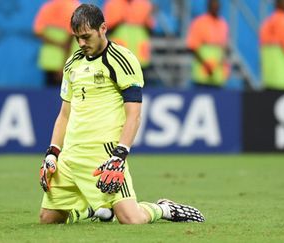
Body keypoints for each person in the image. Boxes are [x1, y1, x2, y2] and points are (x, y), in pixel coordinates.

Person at [39, 3, 205, 225]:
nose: (81, 43)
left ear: (103, 29)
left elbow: (134, 115)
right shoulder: (72, 63)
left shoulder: (122, 60)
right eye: (77, 37)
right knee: (48, 220)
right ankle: (92, 211)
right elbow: (64, 114)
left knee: (132, 219)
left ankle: (163, 208)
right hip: (70, 156)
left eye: (86, 37)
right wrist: (53, 152)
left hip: (103, 156)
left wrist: (119, 156)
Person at [33, 0, 80, 86]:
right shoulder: (76, 8)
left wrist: (56, 43)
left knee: (50, 95)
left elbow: (38, 32)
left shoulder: (47, 7)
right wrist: (63, 67)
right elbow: (69, 42)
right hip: (70, 62)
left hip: (49, 61)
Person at [186, 0, 230, 88]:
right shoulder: (199, 22)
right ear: (208, 6)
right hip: (202, 74)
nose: (216, 7)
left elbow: (224, 48)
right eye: (214, 5)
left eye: (217, 5)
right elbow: (192, 46)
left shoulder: (223, 23)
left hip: (218, 75)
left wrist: (223, 66)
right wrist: (205, 65)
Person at [102, 0, 154, 69]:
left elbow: (150, 27)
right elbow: (106, 27)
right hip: (119, 55)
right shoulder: (113, 4)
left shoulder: (144, 4)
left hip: (139, 55)